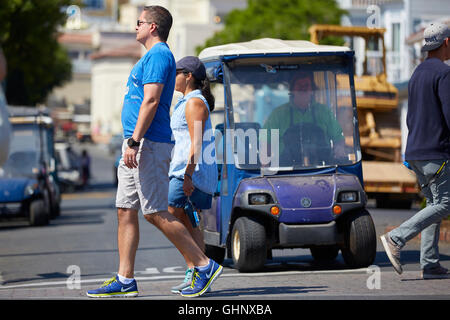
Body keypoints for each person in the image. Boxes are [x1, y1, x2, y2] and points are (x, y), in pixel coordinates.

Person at [87, 6, 222, 298]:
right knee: (125, 210)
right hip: (134, 142)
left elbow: (150, 100)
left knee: (156, 212)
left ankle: (204, 264)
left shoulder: (160, 55)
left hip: (147, 142)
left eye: (139, 23)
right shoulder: (149, 57)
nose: (135, 27)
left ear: (152, 27)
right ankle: (125, 280)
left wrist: (135, 141)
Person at [380, 22, 450, 280]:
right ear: (446, 43)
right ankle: (396, 238)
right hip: (436, 152)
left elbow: (411, 118)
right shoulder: (443, 73)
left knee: (432, 203)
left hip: (416, 153)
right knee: (445, 203)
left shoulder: (417, 73)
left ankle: (430, 264)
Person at [168, 56, 218, 294]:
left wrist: (187, 175)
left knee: (167, 214)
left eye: (176, 72)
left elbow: (196, 144)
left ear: (188, 76)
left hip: (189, 173)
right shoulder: (186, 101)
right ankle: (195, 273)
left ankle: (203, 268)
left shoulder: (194, 103)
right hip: (183, 171)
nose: (172, 76)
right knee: (188, 222)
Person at [263, 71, 345, 166]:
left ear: (312, 90)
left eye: (306, 85)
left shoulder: (324, 112)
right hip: (284, 171)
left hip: (322, 170)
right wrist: (265, 165)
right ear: (292, 90)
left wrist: (339, 151)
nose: (303, 88)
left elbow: (338, 139)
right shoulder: (278, 114)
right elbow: (265, 141)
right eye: (299, 85)